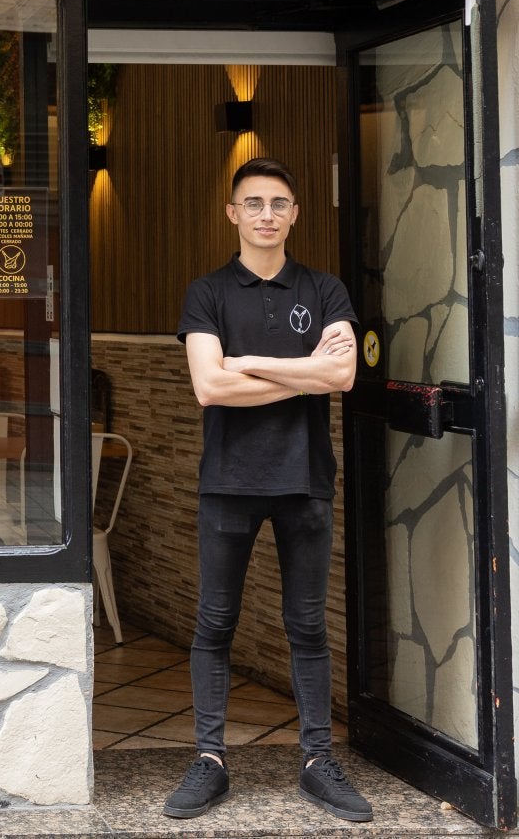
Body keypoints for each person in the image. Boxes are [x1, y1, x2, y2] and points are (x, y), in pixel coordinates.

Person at [164, 157, 372, 823]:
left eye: (278, 203)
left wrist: (248, 361)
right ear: (233, 214)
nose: (265, 214)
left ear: (294, 214)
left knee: (307, 627)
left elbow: (341, 381)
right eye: (252, 203)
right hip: (228, 482)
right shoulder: (207, 293)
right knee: (215, 625)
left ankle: (317, 762)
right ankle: (209, 761)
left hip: (305, 481)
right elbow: (209, 387)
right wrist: (305, 371)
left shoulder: (326, 290)